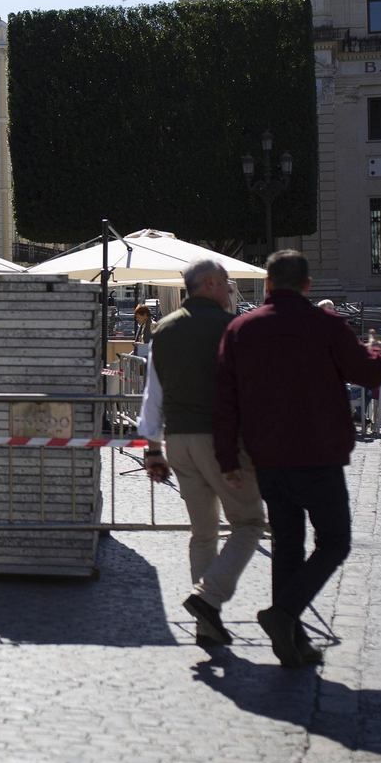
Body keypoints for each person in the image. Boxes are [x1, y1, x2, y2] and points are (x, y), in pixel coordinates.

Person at [214, 250, 381, 668]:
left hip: (269, 457)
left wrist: (227, 458)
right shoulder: (326, 325)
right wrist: (378, 350)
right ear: (308, 286)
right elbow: (369, 373)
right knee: (334, 542)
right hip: (318, 454)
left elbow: (224, 400)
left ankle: (292, 642)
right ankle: (283, 615)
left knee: (287, 547)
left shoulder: (241, 329)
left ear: (269, 285)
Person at [135, 259, 264, 649]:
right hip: (220, 442)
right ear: (209, 283)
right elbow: (249, 392)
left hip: (178, 441)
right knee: (248, 524)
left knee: (203, 533)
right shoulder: (231, 329)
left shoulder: (165, 329)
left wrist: (153, 450)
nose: (231, 291)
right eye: (227, 283)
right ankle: (208, 598)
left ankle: (207, 625)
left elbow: (152, 395)